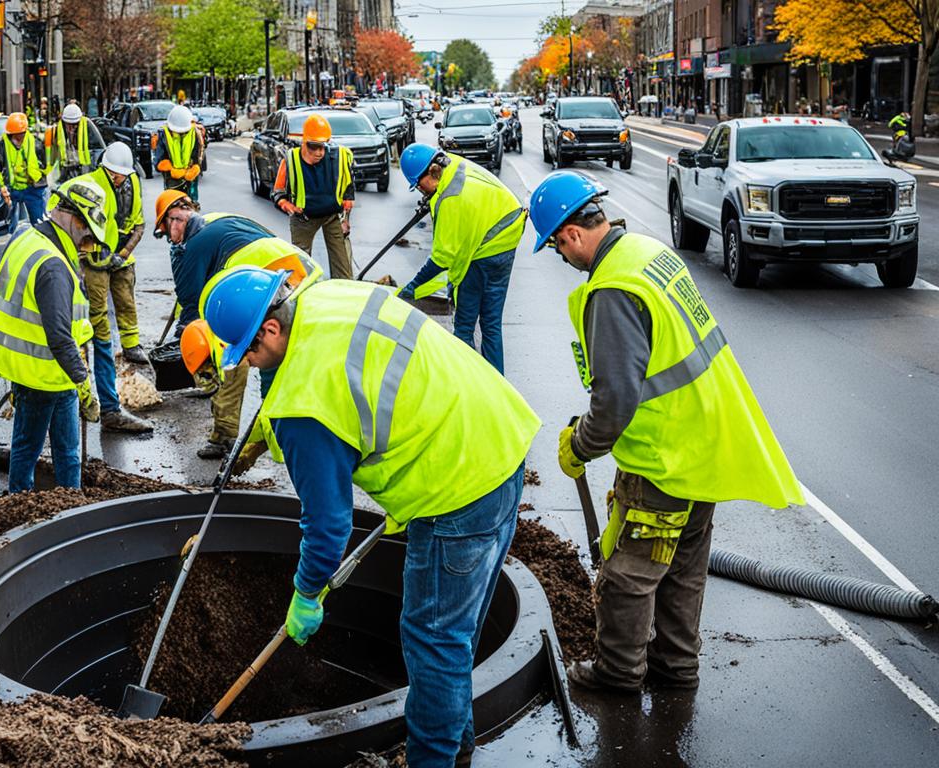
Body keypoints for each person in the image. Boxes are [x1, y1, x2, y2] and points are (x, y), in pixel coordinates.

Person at [200, 267, 540, 767]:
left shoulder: (302, 404)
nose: (248, 364)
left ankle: (433, 760)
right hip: (499, 433)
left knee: (433, 641)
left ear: (271, 329)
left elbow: (328, 524)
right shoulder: (325, 298)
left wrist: (307, 593)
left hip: (458, 486)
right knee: (454, 638)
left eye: (247, 351)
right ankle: (456, 749)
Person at [527, 171, 803, 693]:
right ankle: (676, 666)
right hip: (705, 443)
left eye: (557, 248)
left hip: (665, 457)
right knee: (683, 566)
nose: (563, 258)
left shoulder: (612, 290)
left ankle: (618, 672)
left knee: (630, 571)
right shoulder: (647, 253)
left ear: (572, 234)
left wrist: (581, 446)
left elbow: (615, 400)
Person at [154, 190, 319, 459]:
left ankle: (225, 436)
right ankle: (281, 427)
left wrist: (191, 344)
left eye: (166, 231)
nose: (169, 239)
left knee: (233, 356)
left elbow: (192, 307)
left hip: (279, 291)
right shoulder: (217, 220)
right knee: (282, 359)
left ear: (174, 221)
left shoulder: (192, 247)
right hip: (304, 273)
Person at [0, 177, 110, 492]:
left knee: (62, 451)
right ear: (75, 221)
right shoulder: (53, 267)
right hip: (46, 372)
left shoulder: (27, 234)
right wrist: (86, 388)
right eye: (87, 238)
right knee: (34, 448)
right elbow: (60, 338)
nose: (87, 247)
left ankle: (70, 506)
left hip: (44, 371)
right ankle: (20, 504)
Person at [397, 144, 527, 374]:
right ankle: (497, 385)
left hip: (484, 251)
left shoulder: (449, 198)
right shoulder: (453, 164)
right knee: (491, 323)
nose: (420, 189)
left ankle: (467, 382)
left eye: (418, 185)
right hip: (507, 236)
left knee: (465, 325)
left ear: (430, 173)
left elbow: (443, 257)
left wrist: (413, 287)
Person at [81, 141, 148, 365]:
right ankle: (102, 348)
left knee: (126, 301)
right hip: (97, 258)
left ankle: (131, 345)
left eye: (121, 175)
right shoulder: (91, 184)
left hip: (121, 254)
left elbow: (139, 224)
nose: (118, 179)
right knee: (98, 307)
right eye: (114, 174)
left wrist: (125, 252)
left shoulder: (132, 183)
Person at [271, 113, 355, 280]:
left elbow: (348, 189)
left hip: (332, 215)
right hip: (304, 219)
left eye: (323, 146)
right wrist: (289, 206)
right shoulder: (290, 160)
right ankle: (302, 293)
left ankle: (344, 293)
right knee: (300, 267)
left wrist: (346, 218)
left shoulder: (338, 157)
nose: (319, 152)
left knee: (342, 265)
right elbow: (277, 192)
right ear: (304, 142)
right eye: (314, 146)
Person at [0, 112, 46, 232]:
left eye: (22, 134)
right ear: (10, 133)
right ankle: (15, 242)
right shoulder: (1, 144)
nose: (19, 138)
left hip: (32, 188)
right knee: (12, 225)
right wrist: (1, 183)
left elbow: (47, 162)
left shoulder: (35, 142)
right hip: (12, 189)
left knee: (39, 223)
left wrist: (41, 178)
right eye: (16, 135)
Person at [153, 104, 205, 201]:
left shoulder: (195, 134)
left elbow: (199, 157)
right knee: (173, 206)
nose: (181, 133)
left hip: (190, 182)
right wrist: (169, 168)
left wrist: (195, 169)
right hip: (172, 183)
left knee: (191, 206)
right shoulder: (163, 135)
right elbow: (158, 162)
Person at [45, 103, 105, 182]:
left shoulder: (87, 125)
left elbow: (100, 149)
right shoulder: (59, 128)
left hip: (86, 167)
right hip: (68, 167)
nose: (71, 128)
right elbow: (56, 148)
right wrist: (51, 167)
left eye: (74, 125)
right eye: (68, 125)